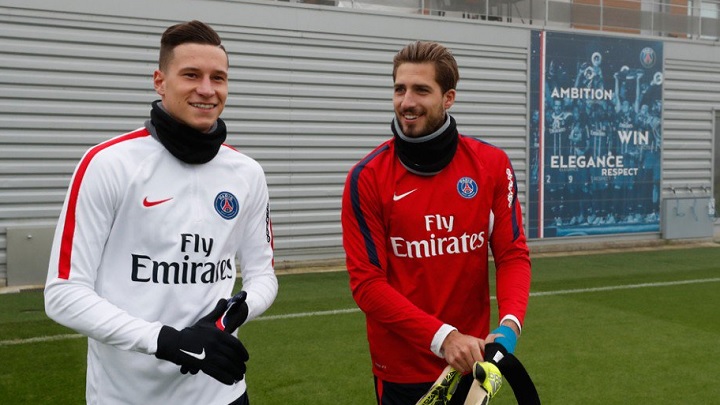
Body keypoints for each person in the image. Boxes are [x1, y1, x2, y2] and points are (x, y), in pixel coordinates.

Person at [44, 20, 277, 405]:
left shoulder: (247, 173)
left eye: (218, 78)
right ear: (159, 80)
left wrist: (230, 317)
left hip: (221, 393)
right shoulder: (107, 163)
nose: (207, 89)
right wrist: (169, 341)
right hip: (127, 396)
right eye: (191, 75)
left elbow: (263, 276)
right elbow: (64, 294)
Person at [341, 41, 531, 404]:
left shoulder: (491, 165)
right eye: (400, 89)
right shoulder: (366, 177)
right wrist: (445, 338)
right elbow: (367, 284)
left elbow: (512, 255)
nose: (407, 102)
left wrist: (508, 328)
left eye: (421, 90)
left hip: (471, 364)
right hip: (402, 369)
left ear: (449, 98)